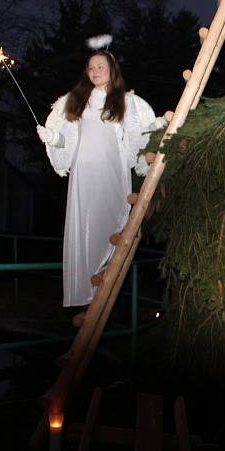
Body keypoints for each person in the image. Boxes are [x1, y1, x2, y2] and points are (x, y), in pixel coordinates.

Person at [37, 49, 165, 322]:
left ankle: (105, 279)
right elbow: (69, 138)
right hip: (84, 171)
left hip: (111, 169)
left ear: (111, 70)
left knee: (110, 219)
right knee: (84, 223)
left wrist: (157, 126)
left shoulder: (125, 102)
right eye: (91, 67)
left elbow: (137, 136)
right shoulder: (76, 101)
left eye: (100, 66)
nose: (95, 71)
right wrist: (54, 139)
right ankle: (86, 292)